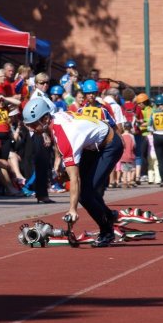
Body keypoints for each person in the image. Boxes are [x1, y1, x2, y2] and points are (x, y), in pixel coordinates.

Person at [22, 98, 124, 247]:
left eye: (33, 125)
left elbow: (74, 178)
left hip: (109, 146)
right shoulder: (55, 119)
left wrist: (72, 210)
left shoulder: (66, 135)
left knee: (85, 194)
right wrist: (59, 162)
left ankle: (107, 231)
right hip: (92, 145)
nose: (31, 129)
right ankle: (109, 215)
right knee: (87, 190)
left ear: (45, 118)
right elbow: (57, 139)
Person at [29, 72, 57, 203]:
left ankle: (42, 193)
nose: (45, 85)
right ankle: (41, 194)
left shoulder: (44, 96)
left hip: (46, 131)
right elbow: (36, 117)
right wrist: (45, 134)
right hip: (40, 133)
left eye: (47, 82)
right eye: (42, 82)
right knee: (42, 164)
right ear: (36, 84)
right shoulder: (37, 97)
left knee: (45, 164)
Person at [120, 122, 136, 188]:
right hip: (130, 154)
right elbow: (134, 145)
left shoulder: (121, 136)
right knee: (129, 169)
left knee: (124, 170)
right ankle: (129, 181)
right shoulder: (131, 136)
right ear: (130, 128)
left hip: (123, 155)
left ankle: (124, 182)